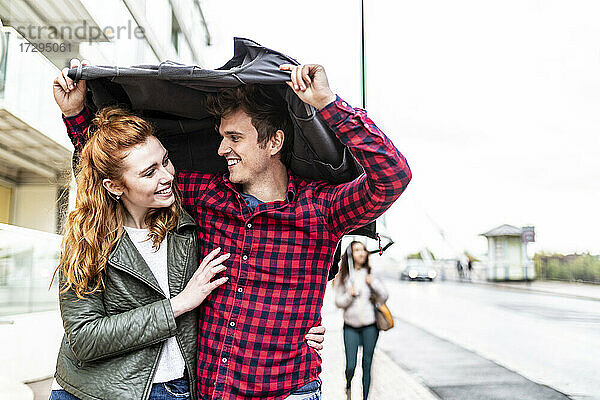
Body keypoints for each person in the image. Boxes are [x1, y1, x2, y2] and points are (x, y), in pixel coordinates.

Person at [56, 57, 412, 400]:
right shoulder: (204, 195)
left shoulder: (323, 208)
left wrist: (328, 104)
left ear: (273, 142)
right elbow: (123, 168)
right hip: (209, 391)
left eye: (235, 137)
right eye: (222, 136)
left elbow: (393, 176)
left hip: (288, 391)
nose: (222, 147)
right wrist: (76, 114)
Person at [48, 104, 325, 400]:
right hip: (92, 391)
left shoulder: (188, 222)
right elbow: (84, 338)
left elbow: (261, 255)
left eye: (166, 161)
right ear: (114, 187)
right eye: (149, 172)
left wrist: (298, 327)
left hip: (177, 389)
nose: (167, 176)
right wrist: (178, 305)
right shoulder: (88, 240)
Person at [334, 241, 388, 400]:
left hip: (370, 327)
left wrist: (374, 284)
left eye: (363, 250)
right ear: (350, 254)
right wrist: (349, 295)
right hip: (350, 327)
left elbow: (384, 297)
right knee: (351, 365)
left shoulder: (371, 273)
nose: (361, 253)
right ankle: (348, 386)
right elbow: (338, 302)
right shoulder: (343, 276)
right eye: (357, 250)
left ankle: (365, 397)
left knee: (367, 364)